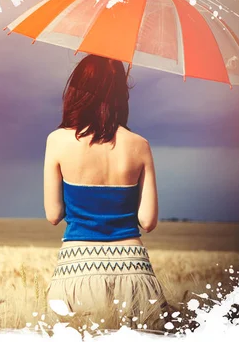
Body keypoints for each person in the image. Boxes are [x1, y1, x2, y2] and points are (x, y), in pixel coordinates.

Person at [44, 54, 168, 331]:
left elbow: (53, 214)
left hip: (77, 269)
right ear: (121, 95)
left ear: (76, 90)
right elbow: (147, 222)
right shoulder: (140, 145)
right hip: (135, 272)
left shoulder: (58, 140)